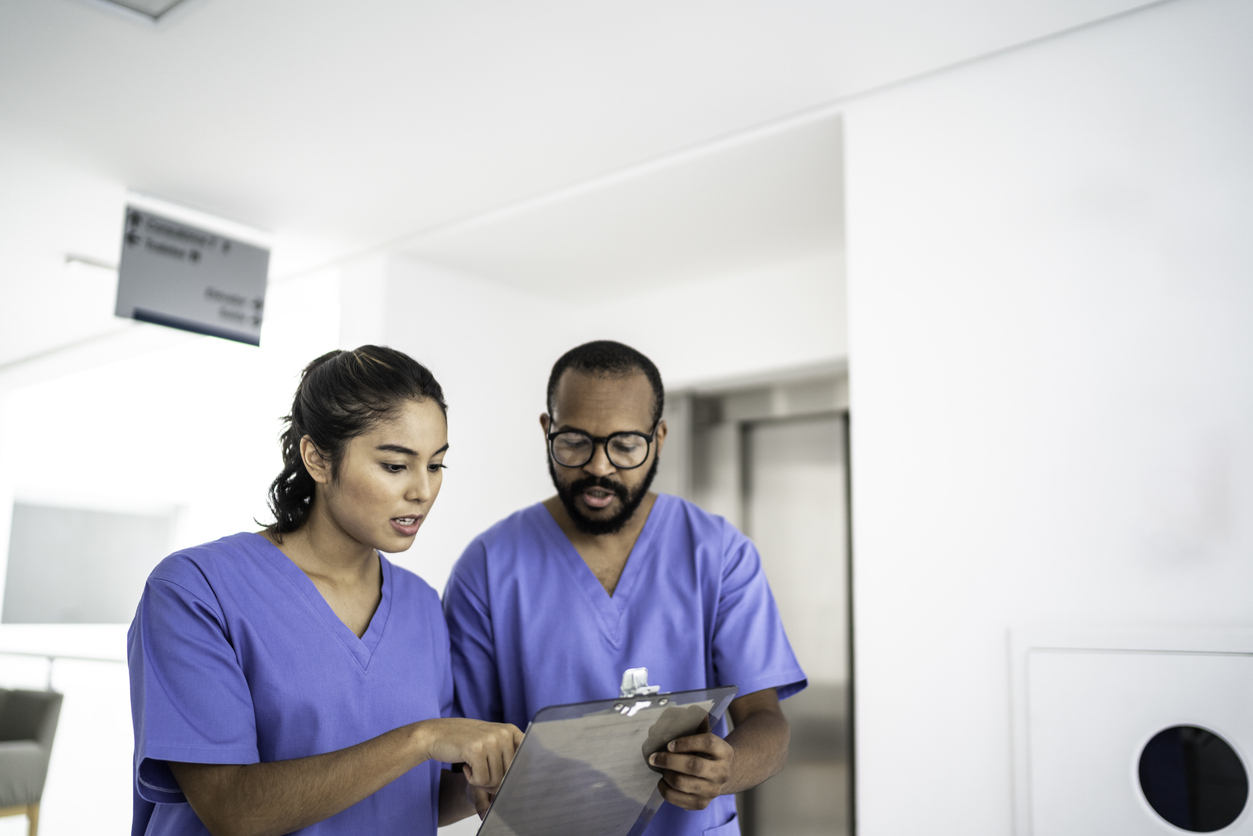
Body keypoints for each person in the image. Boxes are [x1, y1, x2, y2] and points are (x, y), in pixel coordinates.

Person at [128, 346, 522, 836]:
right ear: (317, 458)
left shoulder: (421, 605)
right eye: (396, 466)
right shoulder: (195, 590)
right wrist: (424, 738)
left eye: (436, 465)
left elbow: (404, 796)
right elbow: (232, 809)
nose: (422, 491)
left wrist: (478, 785)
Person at [443, 340, 806, 835]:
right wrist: (476, 781)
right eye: (574, 441)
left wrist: (725, 770)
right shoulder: (487, 567)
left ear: (658, 438)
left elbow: (766, 722)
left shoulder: (719, 554)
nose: (598, 466)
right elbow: (461, 749)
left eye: (625, 445)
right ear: (547, 430)